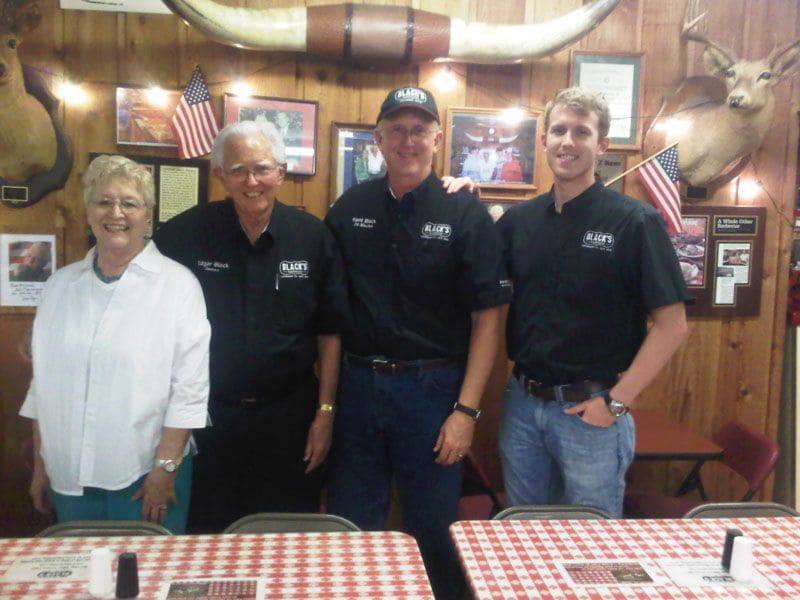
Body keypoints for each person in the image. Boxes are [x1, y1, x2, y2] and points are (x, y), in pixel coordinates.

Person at [324, 86, 511, 599]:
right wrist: (328, 402)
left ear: (437, 138)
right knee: (351, 521)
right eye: (397, 130)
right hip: (359, 386)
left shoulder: (465, 213)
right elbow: (330, 315)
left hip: (433, 392)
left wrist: (466, 413)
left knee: (433, 527)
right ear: (379, 138)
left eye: (419, 130)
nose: (408, 140)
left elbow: (488, 321)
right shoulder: (349, 208)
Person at [496, 87, 691, 517]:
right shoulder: (518, 222)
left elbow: (672, 324)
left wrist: (617, 401)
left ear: (601, 145)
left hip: (591, 413)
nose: (568, 141)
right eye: (559, 130)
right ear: (544, 139)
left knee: (590, 551)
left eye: (581, 132)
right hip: (523, 408)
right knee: (523, 539)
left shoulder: (635, 221)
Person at [152, 119, 349, 534]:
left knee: (287, 534)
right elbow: (140, 292)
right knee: (210, 535)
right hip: (209, 419)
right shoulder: (186, 233)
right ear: (221, 174)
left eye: (262, 168)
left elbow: (330, 333)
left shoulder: (313, 237)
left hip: (290, 419)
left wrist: (325, 414)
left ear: (281, 172)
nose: (252, 180)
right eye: (239, 170)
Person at [19, 155, 210, 533]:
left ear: (147, 216)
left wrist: (165, 468)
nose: (115, 212)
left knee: (148, 583)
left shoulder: (178, 286)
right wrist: (42, 465)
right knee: (79, 586)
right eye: (104, 201)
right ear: (89, 211)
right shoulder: (60, 286)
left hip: (144, 478)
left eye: (129, 203)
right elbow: (44, 386)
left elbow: (189, 391)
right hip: (68, 477)